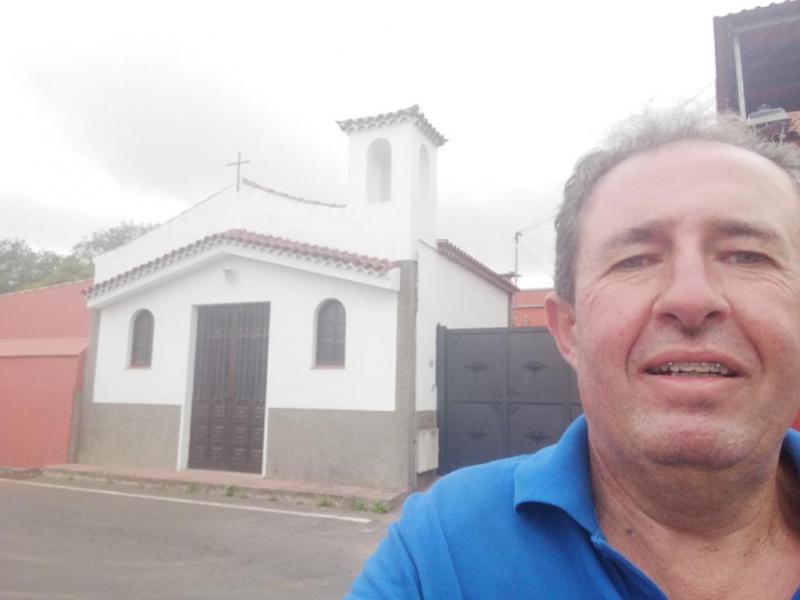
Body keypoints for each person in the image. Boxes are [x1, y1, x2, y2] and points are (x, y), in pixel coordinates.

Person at [346, 106, 800, 599]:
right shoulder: (439, 548)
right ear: (568, 330)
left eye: (747, 256)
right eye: (636, 260)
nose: (691, 298)